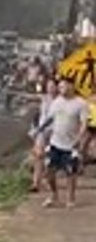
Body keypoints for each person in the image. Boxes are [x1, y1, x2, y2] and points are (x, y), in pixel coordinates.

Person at [38, 77, 89, 208]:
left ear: (71, 86)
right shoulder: (57, 102)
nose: (61, 89)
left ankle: (71, 198)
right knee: (49, 170)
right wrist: (40, 129)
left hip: (71, 145)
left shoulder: (81, 103)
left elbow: (84, 123)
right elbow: (50, 118)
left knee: (71, 172)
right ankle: (54, 195)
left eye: (63, 86)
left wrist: (79, 138)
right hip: (55, 142)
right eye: (59, 87)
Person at [29, 78, 58, 192]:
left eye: (53, 85)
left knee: (51, 158)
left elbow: (51, 118)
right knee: (39, 156)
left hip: (55, 132)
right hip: (42, 131)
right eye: (48, 85)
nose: (50, 88)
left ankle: (48, 180)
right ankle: (36, 183)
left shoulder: (61, 101)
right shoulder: (44, 98)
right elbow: (31, 97)